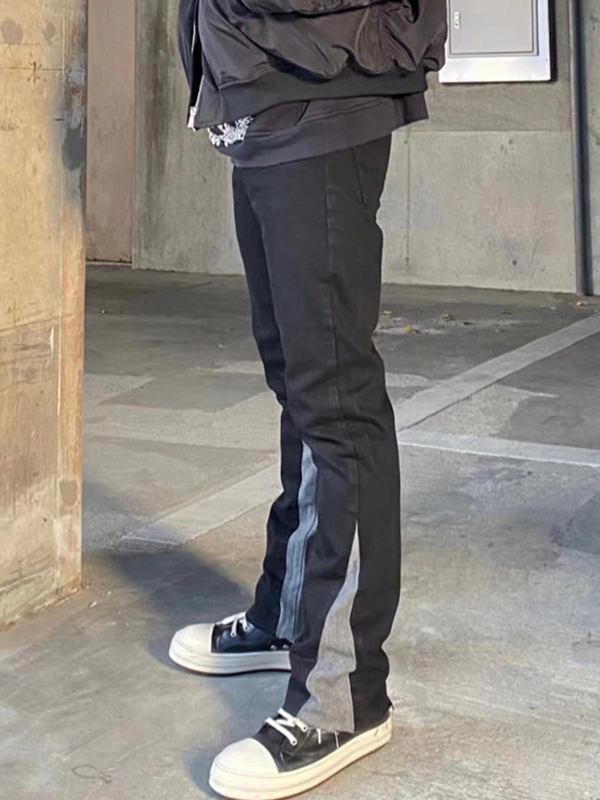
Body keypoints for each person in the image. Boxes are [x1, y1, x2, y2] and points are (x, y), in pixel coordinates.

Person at [172, 1, 447, 797]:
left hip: (322, 92)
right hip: (264, 94)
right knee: (297, 378)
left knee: (335, 399)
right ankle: (288, 617)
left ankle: (345, 695)